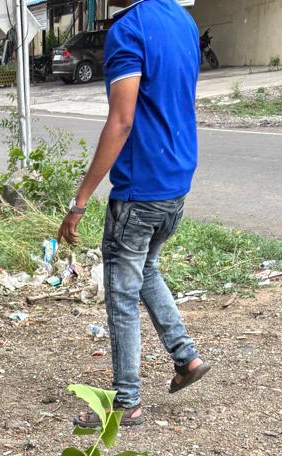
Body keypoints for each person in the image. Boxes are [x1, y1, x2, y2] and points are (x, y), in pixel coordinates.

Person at [57, 0, 210, 428]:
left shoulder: (128, 31)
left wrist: (80, 200)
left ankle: (127, 401)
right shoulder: (183, 20)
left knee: (121, 295)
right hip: (176, 179)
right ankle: (186, 357)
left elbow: (121, 121)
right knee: (146, 269)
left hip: (140, 190)